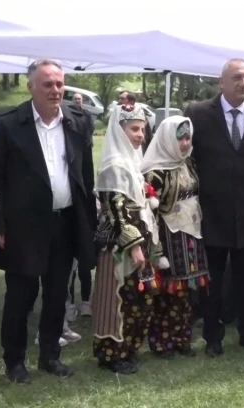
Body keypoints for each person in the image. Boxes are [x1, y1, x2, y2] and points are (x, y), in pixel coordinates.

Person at [0, 59, 96, 383]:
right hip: (23, 227)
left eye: (60, 84)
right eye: (47, 84)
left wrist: (88, 221)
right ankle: (15, 362)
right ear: (31, 86)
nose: (55, 90)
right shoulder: (8, 124)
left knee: (57, 294)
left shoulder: (77, 120)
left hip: (65, 223)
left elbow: (84, 176)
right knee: (21, 296)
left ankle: (50, 356)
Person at [185, 58, 244, 357]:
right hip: (211, 213)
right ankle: (213, 337)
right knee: (212, 279)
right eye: (237, 77)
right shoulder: (197, 114)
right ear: (220, 82)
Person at [92, 104, 168, 374]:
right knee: (119, 300)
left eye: (142, 129)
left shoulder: (134, 161)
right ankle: (112, 354)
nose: (140, 135)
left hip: (140, 241)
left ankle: (130, 349)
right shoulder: (114, 166)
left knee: (141, 298)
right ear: (119, 131)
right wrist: (134, 246)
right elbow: (116, 211)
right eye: (134, 129)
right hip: (120, 247)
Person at [142, 116, 209, 359]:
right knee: (168, 291)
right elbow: (149, 210)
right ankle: (162, 342)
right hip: (168, 234)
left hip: (192, 231)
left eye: (187, 137)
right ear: (168, 138)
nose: (184, 143)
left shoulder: (189, 163)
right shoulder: (155, 172)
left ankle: (183, 338)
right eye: (179, 138)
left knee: (188, 291)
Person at [66, 92, 95, 321]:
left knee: (84, 258)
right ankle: (69, 304)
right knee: (67, 265)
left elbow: (88, 178)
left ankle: (86, 299)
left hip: (83, 207)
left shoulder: (85, 124)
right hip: (65, 209)